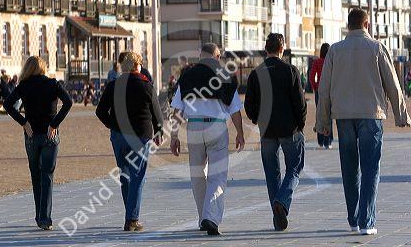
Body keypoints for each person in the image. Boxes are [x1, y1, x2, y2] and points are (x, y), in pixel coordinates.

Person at [316, 8, 411, 236]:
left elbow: (324, 89)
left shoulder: (335, 51)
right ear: (366, 24)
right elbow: (393, 84)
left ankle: (353, 219)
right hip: (371, 114)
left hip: (344, 116)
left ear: (349, 26)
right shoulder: (377, 48)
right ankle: (366, 222)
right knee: (370, 168)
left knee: (349, 168)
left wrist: (323, 122)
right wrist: (401, 115)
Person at [170, 43, 245, 236]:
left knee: (197, 175)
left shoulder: (187, 75)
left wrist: (174, 135)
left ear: (200, 56)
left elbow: (177, 110)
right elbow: (235, 109)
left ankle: (203, 216)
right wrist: (240, 133)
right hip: (216, 127)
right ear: (217, 56)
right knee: (217, 175)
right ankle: (210, 217)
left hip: (193, 127)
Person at [244, 33, 307, 232]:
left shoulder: (256, 74)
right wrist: (300, 123)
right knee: (294, 168)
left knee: (272, 173)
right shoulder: (290, 71)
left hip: (267, 130)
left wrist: (257, 119)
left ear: (266, 49)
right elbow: (300, 102)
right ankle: (281, 201)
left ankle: (277, 214)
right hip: (289, 128)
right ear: (282, 49)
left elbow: (249, 104)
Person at [96, 51, 163, 232]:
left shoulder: (113, 86)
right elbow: (158, 115)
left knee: (125, 176)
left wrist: (112, 125)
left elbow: (100, 111)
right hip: (140, 137)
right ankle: (132, 219)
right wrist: (159, 132)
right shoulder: (146, 86)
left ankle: (130, 214)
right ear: (136, 66)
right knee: (137, 176)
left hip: (119, 137)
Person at [3, 56, 72, 231]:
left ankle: (39, 215)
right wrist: (55, 123)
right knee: (47, 175)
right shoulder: (53, 84)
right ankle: (45, 218)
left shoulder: (24, 86)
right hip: (50, 134)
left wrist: (23, 122)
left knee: (36, 174)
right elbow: (68, 102)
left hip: (32, 134)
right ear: (43, 68)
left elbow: (8, 104)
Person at [309, 43, 334, 149]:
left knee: (320, 114)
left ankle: (320, 141)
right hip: (330, 90)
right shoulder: (331, 61)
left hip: (319, 90)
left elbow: (311, 76)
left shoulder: (317, 62)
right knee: (329, 115)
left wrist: (315, 87)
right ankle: (328, 141)